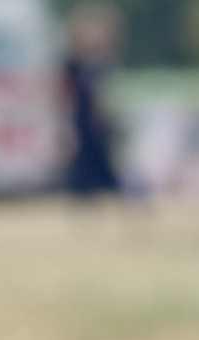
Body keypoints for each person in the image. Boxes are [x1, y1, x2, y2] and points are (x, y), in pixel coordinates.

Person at [62, 4, 124, 199]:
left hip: (97, 125)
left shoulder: (101, 62)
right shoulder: (73, 63)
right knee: (85, 172)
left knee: (105, 169)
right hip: (82, 124)